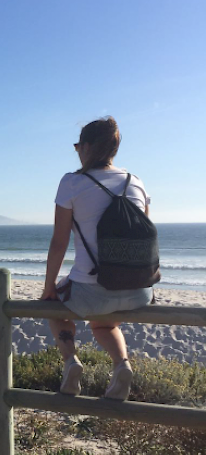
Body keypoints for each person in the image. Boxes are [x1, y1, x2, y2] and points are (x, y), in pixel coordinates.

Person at [41, 117, 154, 400]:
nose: (77, 150)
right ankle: (121, 366)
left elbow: (59, 242)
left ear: (87, 147)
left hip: (93, 292)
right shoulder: (136, 182)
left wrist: (48, 287)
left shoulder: (72, 182)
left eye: (78, 145)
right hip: (140, 292)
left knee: (52, 308)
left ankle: (71, 362)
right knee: (104, 323)